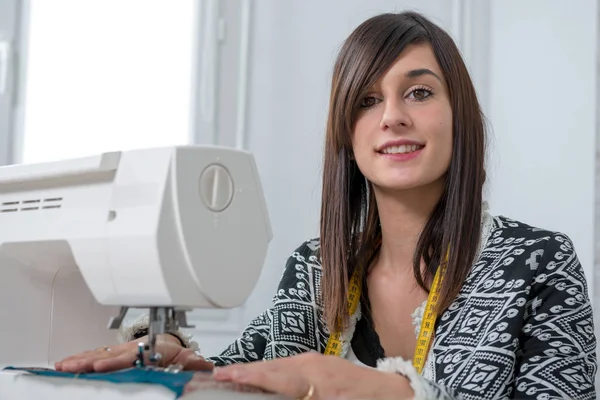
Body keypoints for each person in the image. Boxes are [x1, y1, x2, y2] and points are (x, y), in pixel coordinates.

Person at [55, 11, 597, 400]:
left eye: (420, 92)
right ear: (346, 132)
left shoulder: (537, 263)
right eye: (366, 100)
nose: (391, 117)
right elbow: (248, 365)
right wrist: (171, 351)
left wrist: (397, 396)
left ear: (461, 117)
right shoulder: (316, 268)